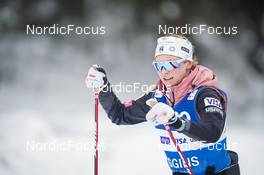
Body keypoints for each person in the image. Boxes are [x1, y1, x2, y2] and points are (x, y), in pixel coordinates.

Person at [85, 35, 240, 175]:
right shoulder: (159, 96)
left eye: (170, 65)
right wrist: (103, 88)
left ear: (187, 63)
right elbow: (120, 115)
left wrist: (176, 121)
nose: (163, 72)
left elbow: (212, 132)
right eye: (159, 66)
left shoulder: (205, 93)